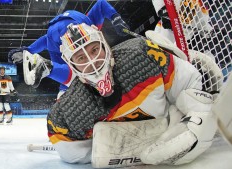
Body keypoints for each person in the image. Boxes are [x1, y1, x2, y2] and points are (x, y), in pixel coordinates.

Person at [46, 23, 218, 167]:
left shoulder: (141, 56)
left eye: (94, 50)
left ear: (104, 44)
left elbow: (189, 83)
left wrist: (195, 119)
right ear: (72, 65)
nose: (93, 61)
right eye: (81, 58)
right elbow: (66, 146)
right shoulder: (70, 108)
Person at [8, 0, 130, 92]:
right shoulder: (90, 25)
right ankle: (51, 73)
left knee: (70, 75)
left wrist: (27, 50)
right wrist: (116, 19)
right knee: (76, 73)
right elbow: (101, 4)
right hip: (69, 28)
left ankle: (51, 73)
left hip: (57, 31)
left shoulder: (90, 21)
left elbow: (46, 39)